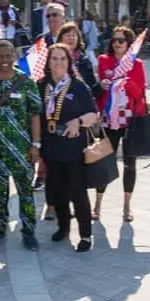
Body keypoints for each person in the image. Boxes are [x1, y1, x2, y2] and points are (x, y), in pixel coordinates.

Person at [0, 39, 39, 249]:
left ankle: (29, 232)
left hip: (23, 149)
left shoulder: (26, 81)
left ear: (14, 55)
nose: (4, 60)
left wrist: (35, 145)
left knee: (26, 193)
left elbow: (35, 115)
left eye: (8, 55)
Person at [40, 43, 101, 252]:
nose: (58, 63)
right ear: (48, 62)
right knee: (58, 192)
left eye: (62, 59)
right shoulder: (42, 86)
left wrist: (79, 121)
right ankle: (63, 227)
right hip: (51, 146)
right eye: (54, 59)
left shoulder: (78, 86)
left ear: (69, 62)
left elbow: (94, 114)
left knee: (77, 191)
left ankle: (85, 234)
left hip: (74, 147)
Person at [95, 26, 148, 224]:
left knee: (130, 163)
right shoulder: (104, 60)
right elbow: (101, 87)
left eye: (121, 40)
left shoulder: (137, 64)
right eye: (114, 40)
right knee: (104, 161)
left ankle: (126, 205)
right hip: (109, 119)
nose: (116, 43)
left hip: (130, 118)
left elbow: (140, 93)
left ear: (128, 44)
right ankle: (98, 204)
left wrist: (126, 82)